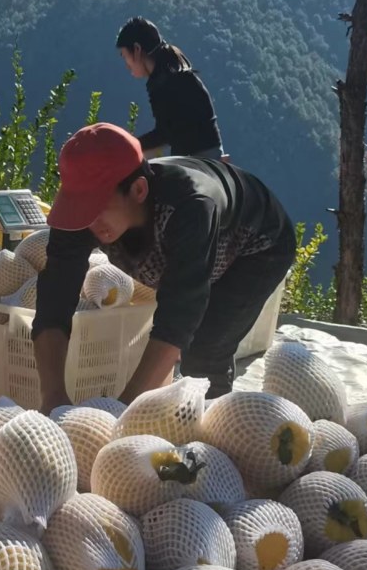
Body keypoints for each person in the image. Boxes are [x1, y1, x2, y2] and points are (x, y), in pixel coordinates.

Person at [33, 123, 295, 411]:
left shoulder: (190, 208)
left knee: (204, 351)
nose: (88, 221)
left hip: (258, 245)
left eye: (96, 208)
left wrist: (122, 412)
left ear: (138, 189)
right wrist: (53, 396)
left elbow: (177, 321)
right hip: (196, 248)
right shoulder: (80, 214)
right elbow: (54, 302)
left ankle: (212, 432)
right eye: (79, 207)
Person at [116, 16, 224, 159]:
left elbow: (164, 135)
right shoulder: (174, 74)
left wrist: (130, 147)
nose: (126, 64)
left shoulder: (164, 83)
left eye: (124, 56)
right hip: (211, 155)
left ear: (137, 49)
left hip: (195, 159)